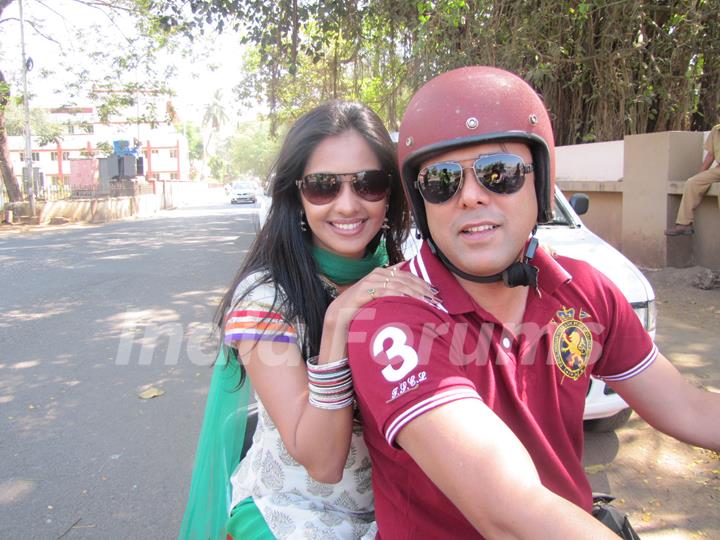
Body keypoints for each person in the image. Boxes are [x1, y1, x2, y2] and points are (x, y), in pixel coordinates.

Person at [346, 66, 720, 539]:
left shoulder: (585, 291)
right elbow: (507, 512)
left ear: (539, 183)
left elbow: (686, 407)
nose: (471, 197)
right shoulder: (394, 319)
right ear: (422, 203)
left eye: (498, 173)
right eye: (442, 181)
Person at [181, 100, 438, 540]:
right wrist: (337, 323)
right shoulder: (265, 300)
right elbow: (322, 461)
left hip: (391, 511)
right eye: (323, 186)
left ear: (391, 193)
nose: (347, 204)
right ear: (296, 196)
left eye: (368, 183)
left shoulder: (402, 278)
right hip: (291, 515)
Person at [665, 123, 720, 236]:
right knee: (692, 182)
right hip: (718, 170)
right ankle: (684, 224)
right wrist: (700, 175)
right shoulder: (716, 130)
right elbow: (711, 155)